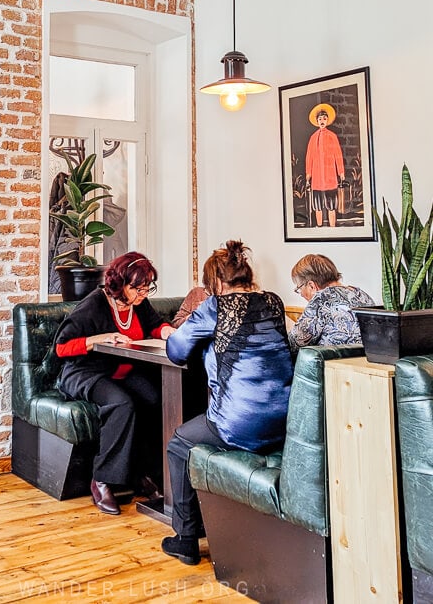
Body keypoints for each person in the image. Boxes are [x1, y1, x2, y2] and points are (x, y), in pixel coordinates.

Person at [161, 241, 293, 565]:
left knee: (179, 444)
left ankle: (186, 539)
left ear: (217, 282)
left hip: (239, 424)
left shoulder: (216, 307)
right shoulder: (273, 302)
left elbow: (176, 350)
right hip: (285, 420)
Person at [54, 251, 175, 516]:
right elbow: (62, 347)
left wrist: (168, 332)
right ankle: (101, 480)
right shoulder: (95, 303)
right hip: (85, 372)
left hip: (121, 371)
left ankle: (141, 473)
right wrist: (99, 338)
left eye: (148, 287)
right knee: (121, 403)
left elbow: (154, 325)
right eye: (138, 287)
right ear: (120, 283)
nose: (143, 293)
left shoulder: (138, 303)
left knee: (155, 398)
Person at [288, 253, 375, 352]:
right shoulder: (362, 295)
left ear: (311, 286)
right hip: (366, 362)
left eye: (299, 288)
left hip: (333, 364)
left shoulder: (321, 298)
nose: (301, 294)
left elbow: (293, 344)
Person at [305, 103, 345, 228]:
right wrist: (308, 174)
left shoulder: (332, 136)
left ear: (327, 120)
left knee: (331, 205)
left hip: (330, 177)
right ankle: (319, 227)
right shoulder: (313, 138)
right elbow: (309, 157)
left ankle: (332, 228)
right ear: (317, 121)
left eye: (324, 118)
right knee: (318, 206)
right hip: (316, 178)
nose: (322, 121)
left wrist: (341, 172)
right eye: (320, 119)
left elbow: (338, 154)